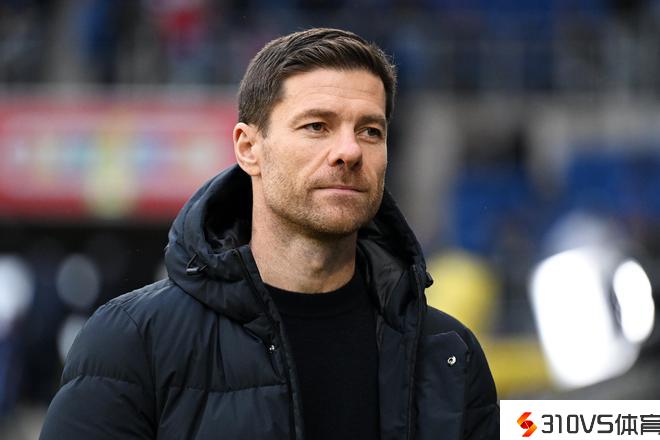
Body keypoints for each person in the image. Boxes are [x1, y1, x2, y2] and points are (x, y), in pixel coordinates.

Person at [40, 28, 499, 440]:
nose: (349, 151)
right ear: (248, 148)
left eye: (370, 131)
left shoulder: (449, 354)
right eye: (317, 126)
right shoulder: (132, 340)